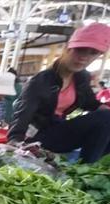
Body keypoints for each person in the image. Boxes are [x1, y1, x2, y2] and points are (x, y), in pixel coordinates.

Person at [8, 23, 110, 163]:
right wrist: (15, 142)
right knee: (106, 118)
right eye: (80, 50)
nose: (84, 57)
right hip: (37, 137)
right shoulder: (41, 81)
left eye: (92, 53)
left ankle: (98, 167)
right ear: (68, 48)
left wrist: (102, 108)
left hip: (59, 130)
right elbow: (22, 115)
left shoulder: (81, 77)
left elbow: (90, 103)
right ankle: (86, 168)